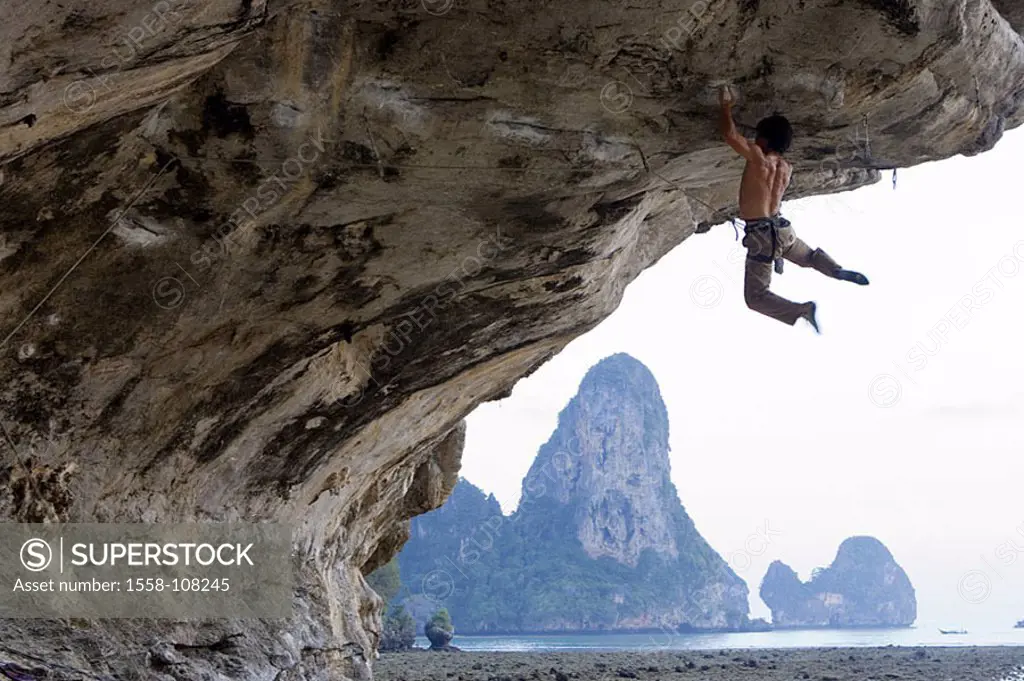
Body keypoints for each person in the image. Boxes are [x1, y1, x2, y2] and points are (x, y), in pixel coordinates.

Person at [717, 85, 869, 333]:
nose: (755, 139)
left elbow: (730, 135)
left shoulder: (758, 157)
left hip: (762, 235)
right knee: (808, 258)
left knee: (755, 297)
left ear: (764, 140)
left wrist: (726, 107)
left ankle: (800, 309)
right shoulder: (787, 168)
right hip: (782, 230)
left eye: (758, 136)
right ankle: (835, 270)